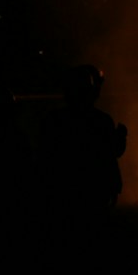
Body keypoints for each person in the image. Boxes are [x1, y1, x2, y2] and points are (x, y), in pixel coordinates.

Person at [43, 64, 128, 220]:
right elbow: (114, 151)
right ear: (91, 92)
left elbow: (46, 155)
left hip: (63, 191)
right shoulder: (101, 120)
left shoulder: (54, 120)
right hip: (94, 190)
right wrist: (121, 136)